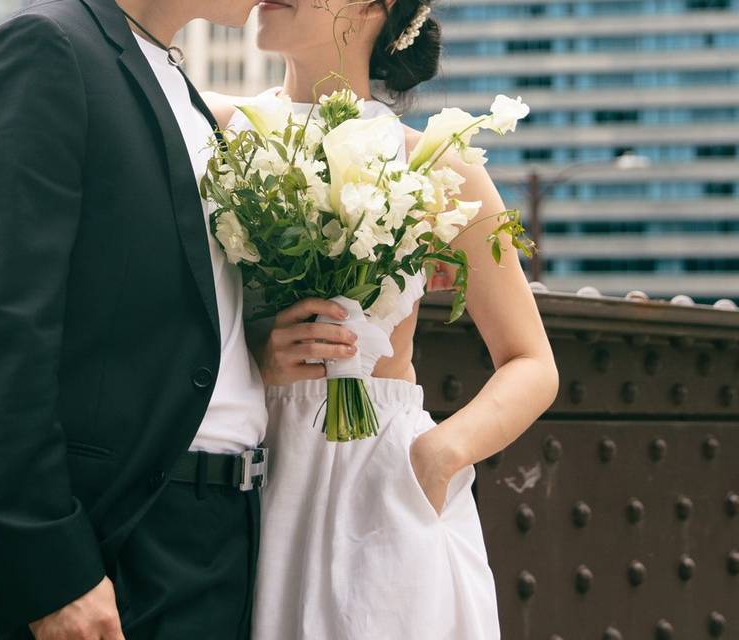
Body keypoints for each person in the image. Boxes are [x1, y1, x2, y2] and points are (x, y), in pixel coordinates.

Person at [0, 1, 349, 639]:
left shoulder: (177, 84)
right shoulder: (44, 49)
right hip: (110, 542)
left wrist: (251, 352)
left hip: (221, 537)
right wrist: (53, 571)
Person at [204, 1, 560, 638]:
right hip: (240, 483)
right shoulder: (214, 130)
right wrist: (254, 358)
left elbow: (531, 362)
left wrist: (437, 455)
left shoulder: (439, 164)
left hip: (384, 493)